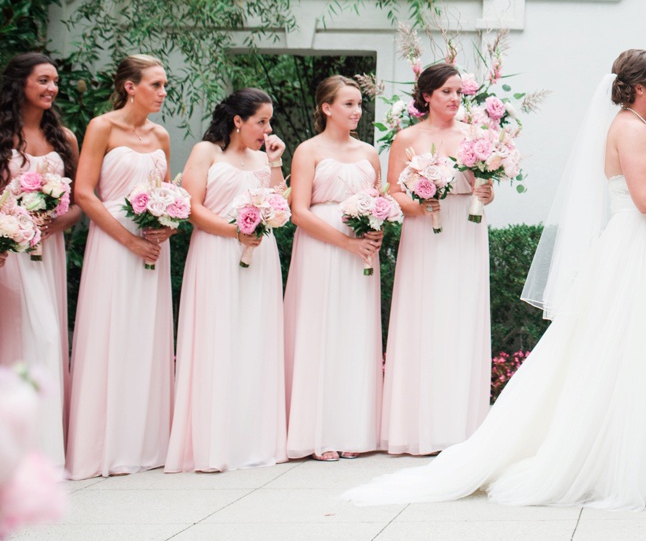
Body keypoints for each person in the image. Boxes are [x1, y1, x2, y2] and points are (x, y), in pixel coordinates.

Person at [344, 49, 646, 509]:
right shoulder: (626, 127)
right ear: (640, 86)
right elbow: (644, 198)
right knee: (622, 346)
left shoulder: (639, 126)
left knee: (645, 347)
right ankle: (613, 459)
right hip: (638, 245)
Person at [166, 88, 288, 472]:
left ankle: (252, 440)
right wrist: (234, 232)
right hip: (217, 252)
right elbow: (192, 208)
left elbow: (278, 203)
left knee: (254, 339)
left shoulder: (263, 158)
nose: (268, 129)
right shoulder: (207, 153)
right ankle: (212, 443)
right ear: (238, 121)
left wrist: (275, 163)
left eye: (269, 121)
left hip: (260, 256)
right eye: (261, 121)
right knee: (216, 339)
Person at [67, 55, 176, 478]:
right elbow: (85, 193)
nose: (163, 92)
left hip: (152, 247)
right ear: (130, 86)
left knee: (146, 335)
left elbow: (165, 191)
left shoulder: (161, 135)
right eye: (156, 84)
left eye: (165, 85)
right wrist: (128, 238)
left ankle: (145, 445)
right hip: (114, 243)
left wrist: (166, 225)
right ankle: (103, 448)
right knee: (110, 331)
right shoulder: (102, 127)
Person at [382, 62, 494, 455]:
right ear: (426, 95)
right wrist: (420, 204)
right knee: (424, 319)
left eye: (459, 92)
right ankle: (419, 426)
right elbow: (393, 195)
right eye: (446, 91)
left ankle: (462, 426)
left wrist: (486, 193)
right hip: (425, 234)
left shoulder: (477, 136)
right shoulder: (406, 139)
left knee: (461, 319)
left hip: (466, 230)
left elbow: (486, 183)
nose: (454, 98)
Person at [285, 76, 384, 462]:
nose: (357, 110)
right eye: (348, 104)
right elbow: (298, 211)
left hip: (362, 254)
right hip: (321, 250)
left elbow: (379, 201)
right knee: (320, 330)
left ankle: (354, 430)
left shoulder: (370, 153)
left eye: (359, 104)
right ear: (326, 108)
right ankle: (318, 433)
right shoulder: (307, 151)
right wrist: (346, 242)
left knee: (355, 332)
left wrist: (376, 231)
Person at [0, 53, 82, 468]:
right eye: (43, 80)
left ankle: (43, 452)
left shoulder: (64, 137)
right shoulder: (2, 134)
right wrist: (12, 226)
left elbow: (78, 204)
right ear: (21, 84)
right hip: (8, 251)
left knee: (45, 338)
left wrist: (52, 223)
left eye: (54, 81)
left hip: (46, 252)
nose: (52, 88)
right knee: (14, 341)